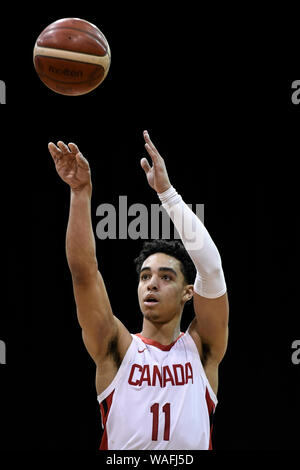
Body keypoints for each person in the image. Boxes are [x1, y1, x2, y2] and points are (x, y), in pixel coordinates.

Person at [48, 131, 229, 450]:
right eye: (145, 276)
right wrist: (80, 192)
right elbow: (84, 273)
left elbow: (211, 269)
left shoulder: (202, 350)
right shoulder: (116, 347)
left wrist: (168, 195)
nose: (152, 283)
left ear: (189, 292)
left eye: (166, 277)